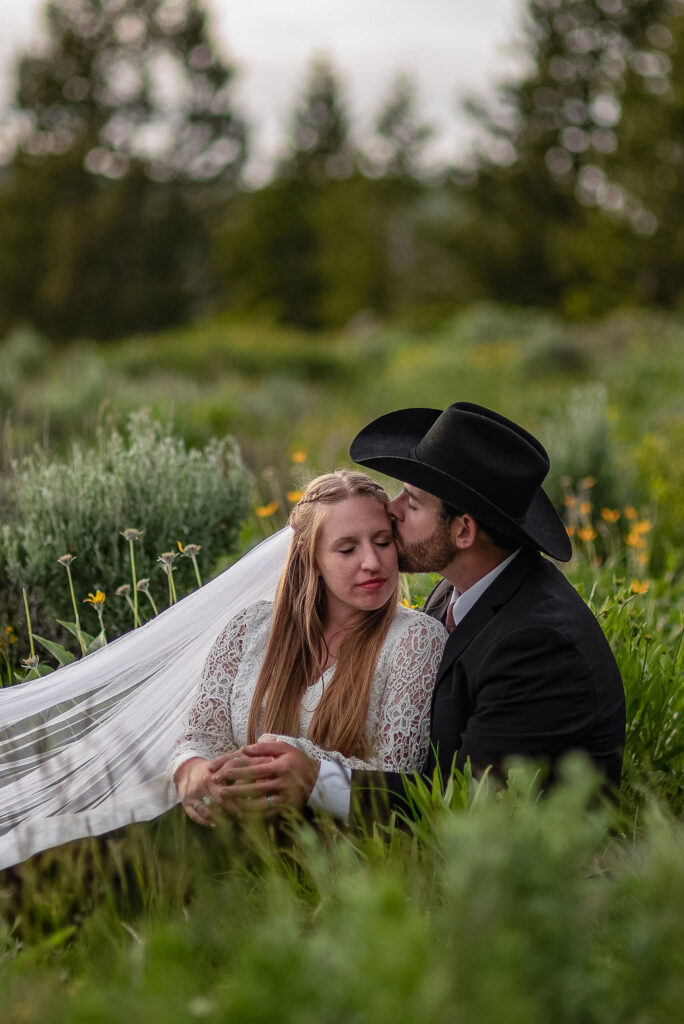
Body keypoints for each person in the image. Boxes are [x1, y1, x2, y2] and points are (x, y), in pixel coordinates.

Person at [212, 403, 625, 821]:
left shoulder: (537, 644)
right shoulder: (459, 590)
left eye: (412, 501)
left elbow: (466, 801)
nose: (392, 509)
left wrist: (318, 780)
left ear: (463, 531)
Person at [170, 469, 447, 825]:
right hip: (232, 826)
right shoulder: (249, 629)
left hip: (337, 842)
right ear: (309, 554)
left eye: (382, 542)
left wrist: (298, 768)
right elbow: (200, 735)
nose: (372, 563)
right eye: (347, 549)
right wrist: (197, 775)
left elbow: (394, 774)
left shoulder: (416, 639)